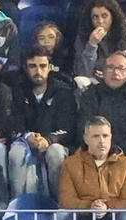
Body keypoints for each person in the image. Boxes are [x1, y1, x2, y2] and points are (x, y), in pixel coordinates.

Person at [7, 48, 79, 197]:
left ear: (50, 67)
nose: (38, 71)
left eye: (42, 66)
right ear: (25, 68)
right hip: (26, 141)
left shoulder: (63, 91)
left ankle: (59, 205)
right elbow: (13, 122)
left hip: (57, 143)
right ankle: (17, 206)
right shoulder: (18, 91)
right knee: (16, 151)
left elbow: (69, 126)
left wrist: (48, 140)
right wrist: (28, 136)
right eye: (32, 66)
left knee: (56, 152)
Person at [78, 51, 126, 160]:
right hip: (94, 153)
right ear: (103, 71)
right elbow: (83, 128)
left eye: (121, 68)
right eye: (110, 67)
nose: (115, 72)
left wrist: (116, 151)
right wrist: (102, 150)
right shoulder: (90, 94)